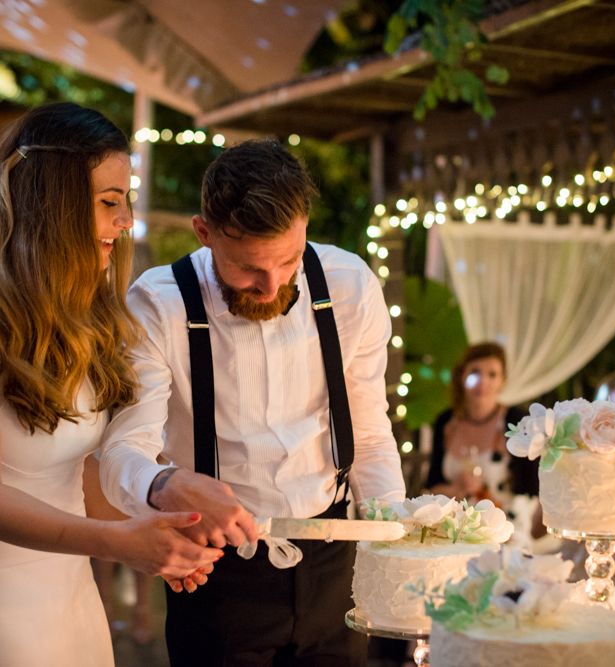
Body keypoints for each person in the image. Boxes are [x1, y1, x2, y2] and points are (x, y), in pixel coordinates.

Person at [99, 138, 406, 666]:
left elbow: (371, 434)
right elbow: (121, 452)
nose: (272, 285)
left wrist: (397, 545)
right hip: (216, 574)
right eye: (248, 268)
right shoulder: (158, 303)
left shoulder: (350, 284)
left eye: (287, 260)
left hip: (337, 563)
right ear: (204, 232)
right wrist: (168, 484)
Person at [0, 103, 223, 667]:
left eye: (124, 201)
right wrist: (117, 542)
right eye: (108, 203)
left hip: (69, 597)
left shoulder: (88, 321)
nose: (125, 221)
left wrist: (154, 530)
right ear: (52, 205)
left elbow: (74, 475)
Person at [425, 342, 539, 504]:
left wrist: (485, 495)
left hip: (507, 520)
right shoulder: (445, 421)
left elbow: (532, 492)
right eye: (475, 372)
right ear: (462, 376)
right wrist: (457, 490)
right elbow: (432, 486)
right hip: (455, 520)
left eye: (492, 375)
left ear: (502, 381)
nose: (482, 381)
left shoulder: (517, 420)